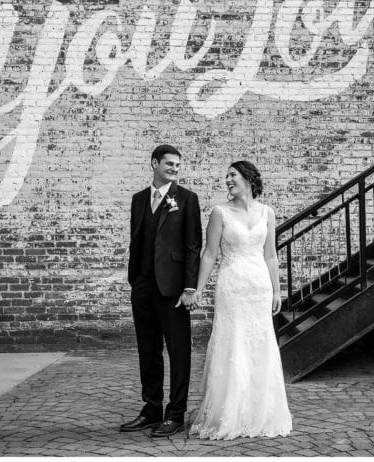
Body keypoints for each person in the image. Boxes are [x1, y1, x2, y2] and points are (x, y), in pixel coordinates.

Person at [189, 160, 293, 439]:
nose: (227, 180)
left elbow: (270, 255)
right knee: (233, 343)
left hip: (258, 286)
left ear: (247, 178)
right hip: (232, 286)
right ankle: (229, 413)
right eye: (226, 176)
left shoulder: (267, 213)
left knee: (259, 345)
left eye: (232, 175)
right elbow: (210, 254)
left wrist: (277, 289)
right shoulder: (220, 212)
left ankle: (260, 413)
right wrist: (197, 288)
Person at [120, 145, 202, 438]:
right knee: (148, 350)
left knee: (179, 351)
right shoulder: (138, 199)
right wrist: (135, 280)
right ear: (154, 163)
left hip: (173, 289)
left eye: (177, 165)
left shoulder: (187, 199)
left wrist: (190, 287)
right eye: (169, 163)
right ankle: (151, 409)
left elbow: (193, 246)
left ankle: (175, 413)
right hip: (142, 286)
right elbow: (137, 240)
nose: (174, 168)